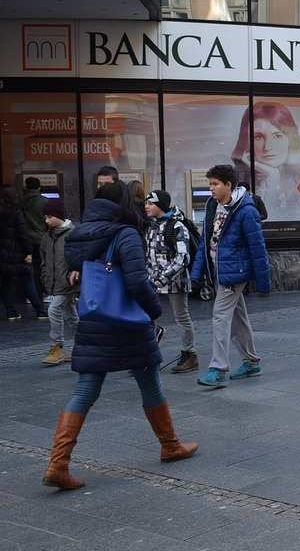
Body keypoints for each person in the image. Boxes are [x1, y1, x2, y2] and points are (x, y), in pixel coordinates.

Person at [42, 180, 197, 490]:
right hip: (127, 320)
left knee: (86, 389)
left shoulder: (81, 233)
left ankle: (57, 464)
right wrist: (153, 311)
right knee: (149, 380)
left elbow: (74, 269)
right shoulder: (126, 233)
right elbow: (138, 282)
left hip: (94, 317)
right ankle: (170, 446)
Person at [191, 164, 272, 389]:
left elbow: (258, 247)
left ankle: (217, 368)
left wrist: (264, 282)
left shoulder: (246, 211)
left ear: (228, 185)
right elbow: (206, 241)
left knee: (220, 315)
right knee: (238, 317)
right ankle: (251, 362)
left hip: (234, 272)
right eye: (209, 184)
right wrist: (197, 272)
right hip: (220, 269)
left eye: (215, 184)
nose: (211, 189)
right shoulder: (211, 206)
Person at [144, 190, 200, 373]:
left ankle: (190, 355)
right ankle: (150, 356)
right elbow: (148, 256)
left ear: (160, 205)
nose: (146, 206)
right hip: (154, 280)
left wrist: (163, 278)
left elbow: (183, 258)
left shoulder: (176, 226)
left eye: (150, 203)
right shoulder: (150, 227)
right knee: (148, 317)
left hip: (176, 281)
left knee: (181, 317)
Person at [233, 103, 300, 220]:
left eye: (277, 136)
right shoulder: (237, 185)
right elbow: (265, 221)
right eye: (258, 137)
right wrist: (272, 177)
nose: (268, 147)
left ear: (290, 140)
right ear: (247, 142)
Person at [39, 198, 77, 366]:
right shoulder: (47, 237)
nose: (47, 221)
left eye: (50, 217)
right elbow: (44, 259)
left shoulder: (72, 233)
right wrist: (44, 276)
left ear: (59, 216)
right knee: (71, 316)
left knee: (54, 310)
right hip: (55, 282)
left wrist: (73, 275)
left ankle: (57, 346)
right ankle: (81, 346)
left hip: (67, 282)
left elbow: (77, 257)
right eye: (45, 217)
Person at [0, 184, 44, 321]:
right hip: (18, 252)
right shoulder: (17, 211)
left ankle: (10, 311)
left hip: (3, 254)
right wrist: (29, 252)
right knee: (27, 280)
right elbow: (23, 234)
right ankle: (40, 310)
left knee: (5, 283)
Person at [21, 177, 47, 298]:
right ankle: (44, 293)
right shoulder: (44, 201)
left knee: (28, 269)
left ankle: (30, 296)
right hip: (40, 238)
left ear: (26, 187)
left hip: (25, 239)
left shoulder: (19, 201)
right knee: (43, 266)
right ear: (39, 187)